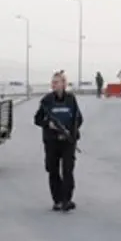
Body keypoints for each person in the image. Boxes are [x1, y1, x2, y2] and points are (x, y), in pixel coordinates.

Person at [33, 71, 84, 212]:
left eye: (56, 82)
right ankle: (58, 200)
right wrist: (48, 124)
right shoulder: (46, 101)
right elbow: (37, 119)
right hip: (51, 142)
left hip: (68, 142)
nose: (53, 85)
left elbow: (78, 118)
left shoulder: (71, 99)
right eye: (53, 82)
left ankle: (67, 199)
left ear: (64, 84)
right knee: (52, 169)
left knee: (68, 170)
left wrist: (72, 133)